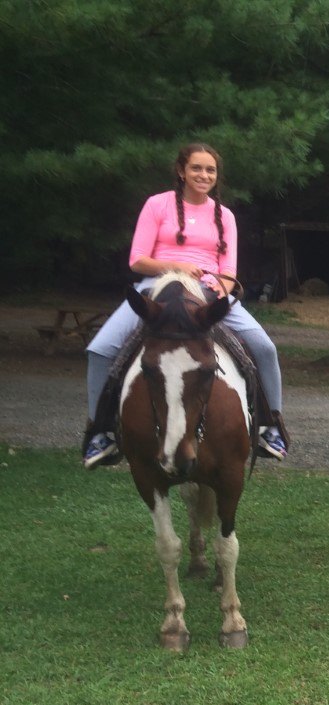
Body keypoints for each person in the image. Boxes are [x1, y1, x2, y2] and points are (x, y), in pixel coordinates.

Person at [82, 142, 288, 468]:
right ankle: (100, 432)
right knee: (100, 349)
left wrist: (221, 287)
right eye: (196, 168)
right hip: (157, 288)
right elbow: (138, 260)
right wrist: (175, 266)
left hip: (208, 292)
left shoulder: (225, 216)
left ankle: (269, 427)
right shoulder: (157, 205)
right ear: (181, 171)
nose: (203, 175)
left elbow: (230, 271)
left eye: (210, 170)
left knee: (264, 347)